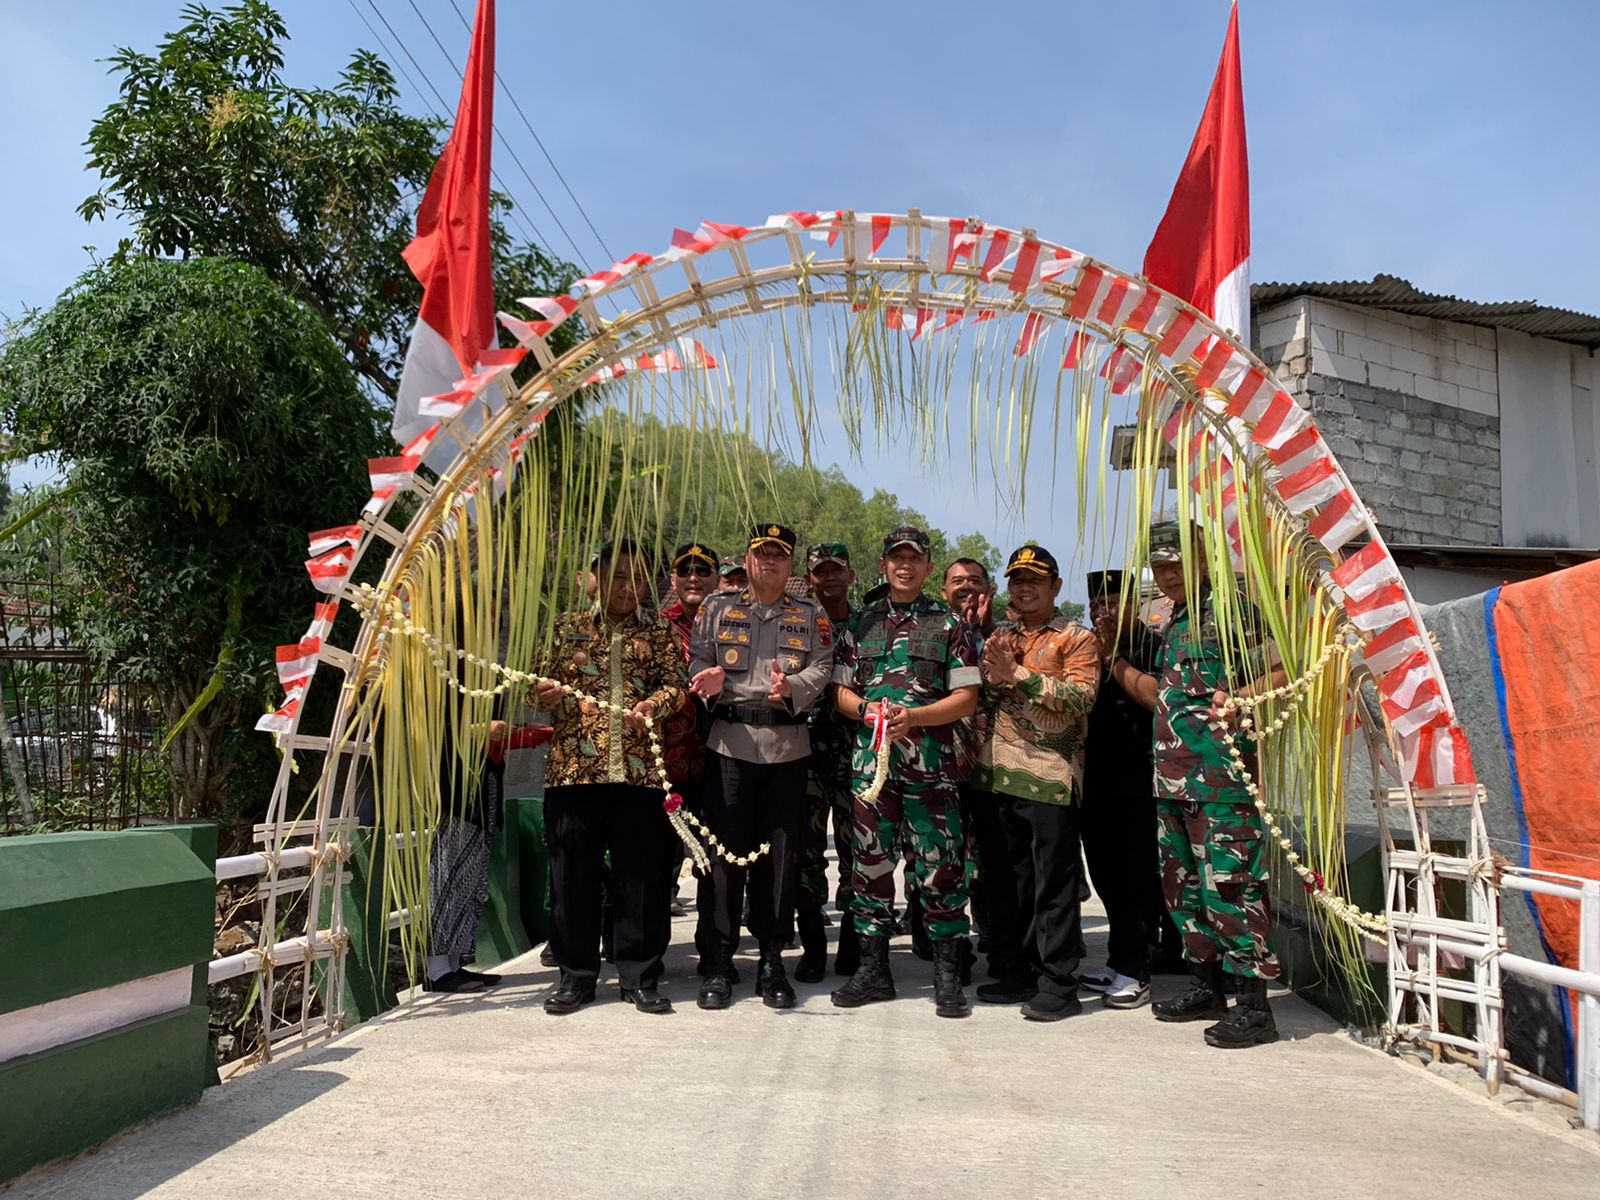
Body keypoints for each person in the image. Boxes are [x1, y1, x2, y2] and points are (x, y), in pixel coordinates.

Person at [1137, 520, 1284, 1048]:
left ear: (1203, 558)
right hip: (1172, 782)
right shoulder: (1174, 620)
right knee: (1184, 890)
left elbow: (1282, 670)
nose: (1168, 574)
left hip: (1221, 782)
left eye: (1177, 563)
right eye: (1160, 566)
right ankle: (1208, 987)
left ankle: (1255, 1007)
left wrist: (1242, 696)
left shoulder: (1233, 611)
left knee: (1231, 889)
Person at [533, 538, 688, 1016]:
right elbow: (533, 683)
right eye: (618, 576)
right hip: (574, 772)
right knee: (571, 878)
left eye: (637, 579)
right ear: (596, 576)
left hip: (639, 774)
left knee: (641, 878)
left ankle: (639, 976)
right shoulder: (565, 628)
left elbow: (677, 686)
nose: (627, 587)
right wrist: (543, 693)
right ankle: (575, 977)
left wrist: (654, 704)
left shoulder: (658, 631)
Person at [830, 526, 980, 1018]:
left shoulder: (948, 623)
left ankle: (946, 976)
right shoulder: (860, 623)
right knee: (869, 867)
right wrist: (865, 710)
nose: (905, 566)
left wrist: (915, 717)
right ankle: (874, 972)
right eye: (897, 558)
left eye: (914, 559)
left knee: (941, 870)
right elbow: (840, 691)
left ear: (927, 567)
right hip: (872, 769)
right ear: (883, 565)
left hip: (930, 769)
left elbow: (966, 698)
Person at [687, 524, 835, 1010]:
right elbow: (698, 657)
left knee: (781, 859)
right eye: (761, 553)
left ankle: (772, 959)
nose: (769, 562)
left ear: (790, 565)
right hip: (729, 744)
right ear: (748, 559)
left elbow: (823, 664)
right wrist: (705, 677)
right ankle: (718, 961)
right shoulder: (716, 607)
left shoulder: (811, 614)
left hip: (786, 748)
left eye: (779, 555)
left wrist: (794, 688)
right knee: (723, 859)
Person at [969, 545, 1100, 1022]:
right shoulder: (1000, 636)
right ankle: (1018, 970)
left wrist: (1018, 674)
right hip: (996, 774)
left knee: (1053, 886)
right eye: (1017, 580)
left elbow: (1081, 698)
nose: (1025, 588)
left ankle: (1059, 982)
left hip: (1049, 778)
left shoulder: (1076, 638)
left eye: (1035, 580)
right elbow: (981, 694)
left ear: (1055, 587)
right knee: (1008, 883)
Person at [1077, 568, 1175, 1011]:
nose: (1105, 611)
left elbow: (1157, 700)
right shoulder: (1085, 648)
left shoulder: (1152, 646)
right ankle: (1119, 961)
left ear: (1135, 603)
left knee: (1137, 878)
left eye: (1114, 602)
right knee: (1106, 875)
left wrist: (1113, 659)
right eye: (1098, 604)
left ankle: (1137, 970)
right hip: (1096, 781)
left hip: (1141, 781)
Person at [941, 558, 1018, 981]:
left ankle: (999, 939)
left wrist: (984, 632)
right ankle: (949, 948)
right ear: (944, 591)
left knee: (996, 859)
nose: (966, 587)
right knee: (943, 860)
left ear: (989, 589)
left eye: (975, 580)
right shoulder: (934, 629)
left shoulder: (1007, 634)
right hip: (944, 765)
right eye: (957, 581)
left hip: (996, 766)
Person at [797, 542, 857, 981]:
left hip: (857, 758)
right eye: (821, 571)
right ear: (810, 579)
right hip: (807, 756)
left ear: (851, 575)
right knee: (806, 855)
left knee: (859, 855)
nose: (830, 577)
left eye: (837, 569)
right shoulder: (796, 622)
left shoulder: (869, 625)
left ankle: (852, 944)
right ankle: (813, 947)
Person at [659, 542, 717, 917]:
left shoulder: (735, 624)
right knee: (660, 853)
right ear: (673, 579)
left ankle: (714, 940)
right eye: (685, 570)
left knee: (715, 856)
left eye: (702, 570)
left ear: (716, 578)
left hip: (721, 762)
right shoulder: (658, 627)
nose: (693, 577)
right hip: (668, 763)